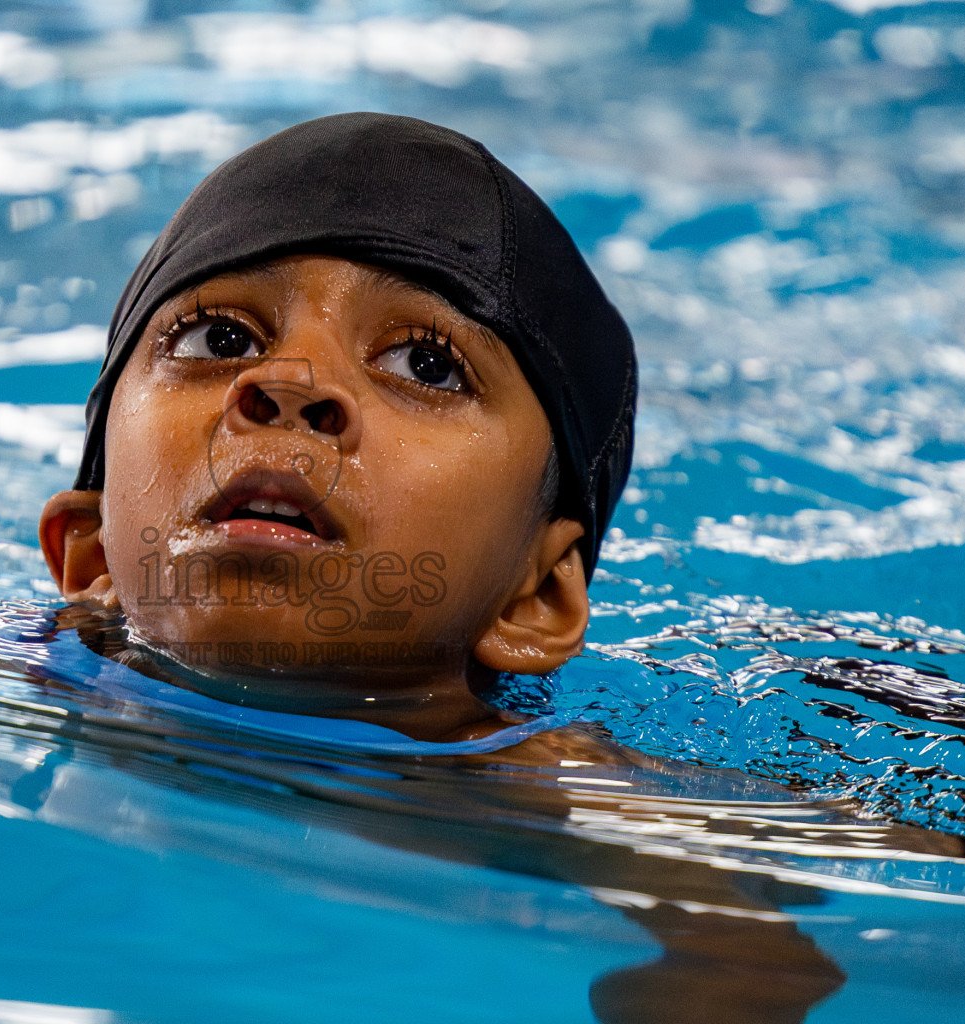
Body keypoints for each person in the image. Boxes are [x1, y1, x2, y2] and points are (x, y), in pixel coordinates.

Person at [38, 112, 640, 764]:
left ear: (537, 598)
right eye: (220, 339)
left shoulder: (624, 836)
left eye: (425, 365)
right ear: (93, 550)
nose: (292, 382)